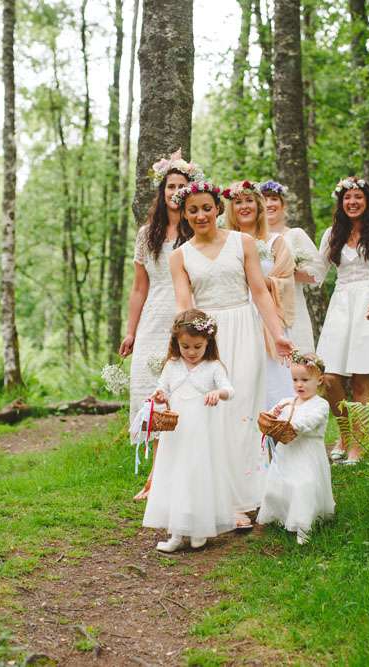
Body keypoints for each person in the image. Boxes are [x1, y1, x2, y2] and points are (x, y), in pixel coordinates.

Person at [168, 181, 294, 528]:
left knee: (244, 411)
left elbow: (260, 292)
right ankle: (225, 501)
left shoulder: (243, 242)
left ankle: (253, 493)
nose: (201, 215)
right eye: (193, 210)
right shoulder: (180, 256)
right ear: (185, 214)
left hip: (245, 330)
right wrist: (186, 350)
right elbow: (183, 307)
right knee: (216, 414)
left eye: (206, 208)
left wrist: (277, 335)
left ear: (217, 208)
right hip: (208, 337)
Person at [119, 150, 203, 501]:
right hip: (154, 319)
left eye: (181, 186)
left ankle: (171, 478)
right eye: (170, 186)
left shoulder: (197, 230)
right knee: (150, 393)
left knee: (182, 393)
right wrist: (131, 331)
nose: (175, 192)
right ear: (162, 190)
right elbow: (139, 287)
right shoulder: (146, 234)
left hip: (187, 316)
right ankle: (156, 476)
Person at [317, 177, 369, 464]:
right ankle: (344, 434)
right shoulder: (331, 234)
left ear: (367, 201)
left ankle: (358, 446)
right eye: (347, 198)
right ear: (341, 202)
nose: (352, 202)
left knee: (362, 380)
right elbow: (316, 273)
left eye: (358, 197)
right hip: (341, 304)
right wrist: (282, 267)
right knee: (329, 378)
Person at [143, 310, 236, 552]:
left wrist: (218, 393)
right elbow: (162, 388)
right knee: (178, 475)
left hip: (202, 434)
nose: (191, 352)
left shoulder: (213, 366)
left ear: (208, 342)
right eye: (185, 346)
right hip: (177, 434)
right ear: (176, 342)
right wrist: (160, 395)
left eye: (197, 347)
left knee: (198, 476)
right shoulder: (172, 365)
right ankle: (176, 533)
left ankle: (199, 528)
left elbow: (229, 390)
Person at [224, 180, 296, 408]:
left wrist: (258, 281)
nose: (244, 206)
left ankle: (276, 423)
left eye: (249, 201)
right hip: (235, 316)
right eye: (238, 202)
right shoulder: (224, 243)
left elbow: (286, 281)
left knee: (272, 379)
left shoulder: (275, 242)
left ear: (258, 206)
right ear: (231, 209)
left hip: (267, 317)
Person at [256, 352, 335, 545]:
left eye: (305, 380)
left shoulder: (321, 405)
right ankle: (281, 515)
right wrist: (274, 414)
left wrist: (292, 426)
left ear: (319, 380)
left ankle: (303, 526)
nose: (299, 384)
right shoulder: (287, 402)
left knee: (304, 485)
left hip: (307, 454)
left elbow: (310, 421)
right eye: (295, 380)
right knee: (280, 483)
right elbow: (274, 416)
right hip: (287, 451)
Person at [260, 180, 325, 353]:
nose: (269, 204)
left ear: (283, 205)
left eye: (274, 199)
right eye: (264, 199)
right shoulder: (251, 239)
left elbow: (318, 272)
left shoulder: (295, 235)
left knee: (298, 359)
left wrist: (289, 270)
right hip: (260, 308)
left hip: (292, 306)